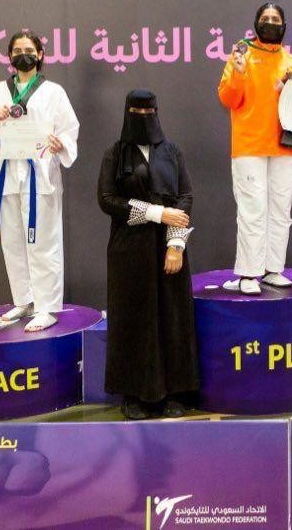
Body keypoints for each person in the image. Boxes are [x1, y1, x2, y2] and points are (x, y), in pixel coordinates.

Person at [97, 90, 198, 419]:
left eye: (148, 111)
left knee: (173, 317)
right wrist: (156, 213)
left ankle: (174, 392)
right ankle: (134, 395)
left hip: (168, 249)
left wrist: (175, 245)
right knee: (133, 320)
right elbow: (107, 200)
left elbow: (185, 197)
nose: (143, 117)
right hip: (129, 252)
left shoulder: (172, 151)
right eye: (137, 111)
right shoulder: (115, 154)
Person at [0, 31, 79, 332]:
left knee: (43, 243)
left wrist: (60, 144)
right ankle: (24, 300)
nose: (23, 55)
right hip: (6, 174)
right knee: (13, 242)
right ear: (9, 56)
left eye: (28, 49)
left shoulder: (54, 92)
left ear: (40, 54)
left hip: (39, 176)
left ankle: (47, 307)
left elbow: (69, 130)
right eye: (16, 50)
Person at [217, 3, 292, 295]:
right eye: (265, 18)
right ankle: (248, 274)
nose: (270, 23)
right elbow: (228, 98)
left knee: (280, 211)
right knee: (252, 211)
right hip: (249, 145)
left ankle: (273, 269)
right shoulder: (241, 56)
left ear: (284, 25)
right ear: (256, 24)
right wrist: (239, 72)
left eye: (275, 19)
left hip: (285, 146)